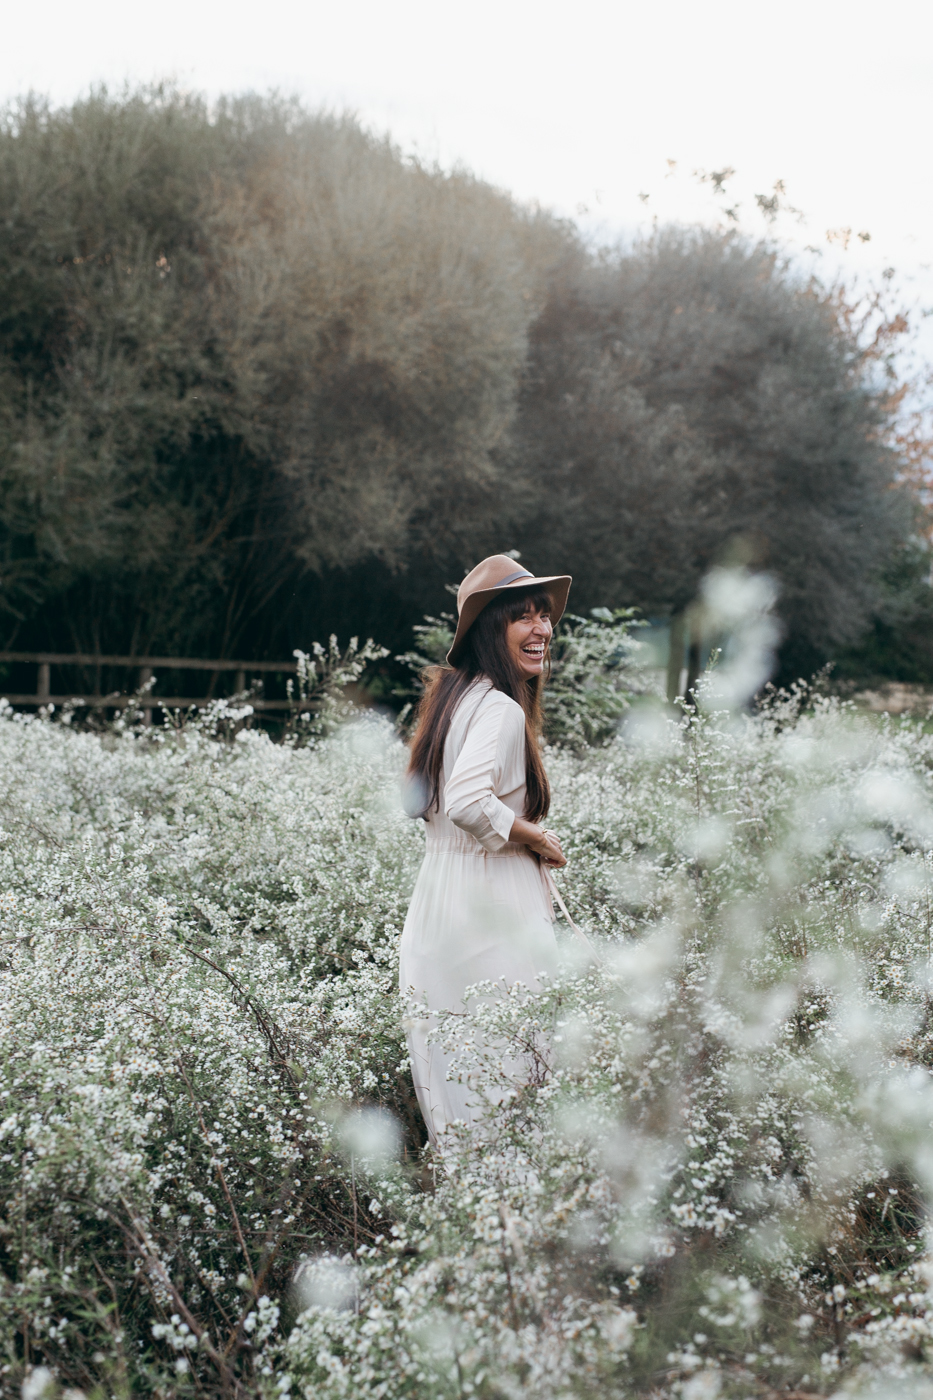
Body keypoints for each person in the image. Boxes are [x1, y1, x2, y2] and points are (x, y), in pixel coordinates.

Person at [400, 554, 571, 1146]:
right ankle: (515, 1230)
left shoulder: (454, 700)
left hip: (440, 906)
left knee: (458, 1085)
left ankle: (472, 1223)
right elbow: (468, 803)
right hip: (488, 910)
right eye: (522, 617)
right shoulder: (497, 708)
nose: (542, 629)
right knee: (512, 1079)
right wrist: (535, 836)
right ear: (487, 630)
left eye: (544, 616)